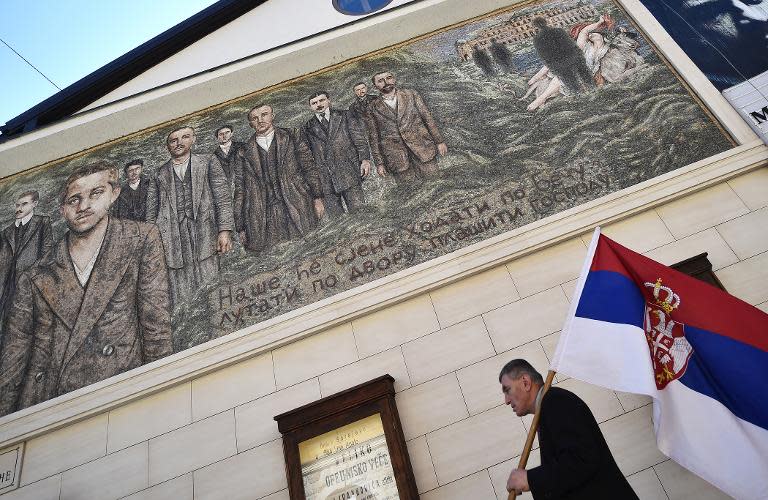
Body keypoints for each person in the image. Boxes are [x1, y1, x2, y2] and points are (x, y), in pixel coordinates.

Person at [0, 162, 172, 416]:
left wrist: (164, 395)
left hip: (121, 390)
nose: (83, 207)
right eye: (74, 200)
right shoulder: (35, 274)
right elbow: (14, 354)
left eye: (95, 193)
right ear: (62, 210)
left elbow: (156, 325)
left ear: (114, 194)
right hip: (46, 404)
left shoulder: (142, 239)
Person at [500, 359, 638, 499]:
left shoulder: (555, 401)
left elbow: (583, 459)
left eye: (507, 390)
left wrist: (530, 479)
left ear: (525, 382)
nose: (506, 401)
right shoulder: (549, 407)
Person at [146, 126, 234, 306]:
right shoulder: (158, 174)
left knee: (212, 284)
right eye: (173, 140)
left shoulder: (208, 161)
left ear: (193, 139)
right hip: (172, 238)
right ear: (167, 146)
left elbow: (223, 198)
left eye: (184, 137)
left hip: (204, 232)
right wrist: (154, 247)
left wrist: (224, 231)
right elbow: (151, 214)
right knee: (181, 294)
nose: (179, 143)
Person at [233, 104, 323, 252]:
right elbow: (240, 190)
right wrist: (240, 226)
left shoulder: (292, 135)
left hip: (297, 203)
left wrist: (318, 197)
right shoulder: (243, 152)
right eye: (255, 118)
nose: (260, 120)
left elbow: (309, 167)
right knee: (275, 256)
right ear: (250, 124)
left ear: (272, 116)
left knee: (308, 248)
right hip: (263, 213)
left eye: (264, 115)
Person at [364, 71, 448, 182]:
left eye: (389, 78)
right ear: (375, 86)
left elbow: (427, 118)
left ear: (394, 79)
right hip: (397, 159)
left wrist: (439, 141)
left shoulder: (411, 94)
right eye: (380, 81)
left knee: (435, 181)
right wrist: (379, 163)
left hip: (422, 148)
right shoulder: (372, 108)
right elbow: (374, 137)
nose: (386, 82)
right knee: (409, 191)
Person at [301, 91, 371, 216]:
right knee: (337, 221)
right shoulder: (307, 128)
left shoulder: (345, 115)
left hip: (349, 172)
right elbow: (307, 157)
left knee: (360, 213)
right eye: (314, 103)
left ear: (329, 100)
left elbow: (359, 139)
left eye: (322, 100)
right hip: (326, 180)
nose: (319, 105)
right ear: (310, 107)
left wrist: (365, 160)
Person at [0, 191, 53, 336]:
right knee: (7, 330)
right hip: (7, 288)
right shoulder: (6, 232)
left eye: (24, 204)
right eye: (17, 205)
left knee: (29, 329)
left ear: (35, 204)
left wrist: (31, 278)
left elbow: (47, 255)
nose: (19, 208)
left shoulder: (43, 223)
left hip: (31, 284)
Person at [531, 17, 594, 95]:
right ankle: (593, 89)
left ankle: (579, 94)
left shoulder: (537, 39)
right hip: (572, 57)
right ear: (545, 22)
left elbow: (544, 56)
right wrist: (579, 55)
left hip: (559, 64)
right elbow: (571, 44)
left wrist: (552, 68)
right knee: (585, 75)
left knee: (571, 82)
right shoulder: (559, 30)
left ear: (535, 27)